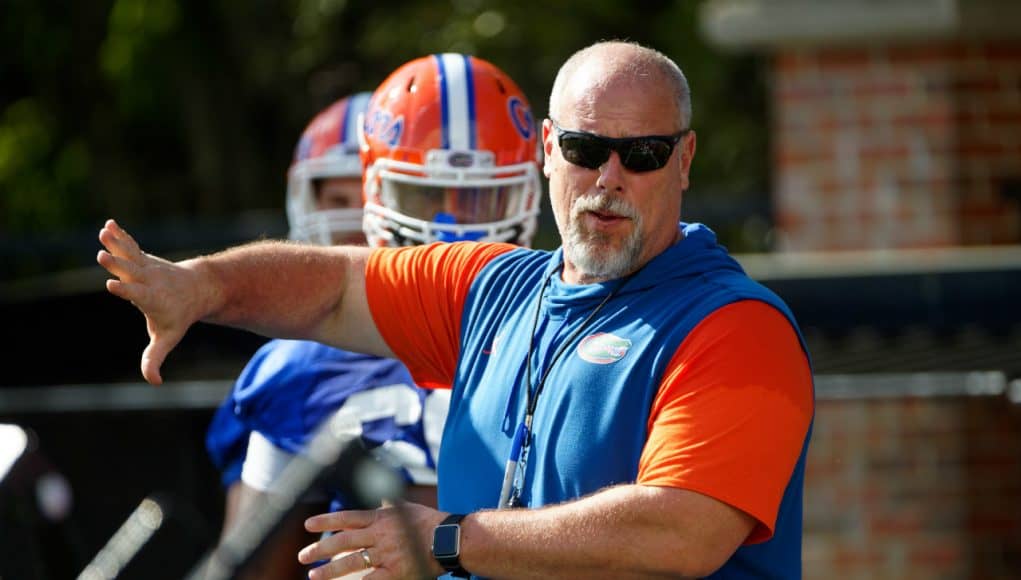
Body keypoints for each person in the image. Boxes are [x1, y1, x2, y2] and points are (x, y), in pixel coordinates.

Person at [98, 41, 814, 579]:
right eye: (584, 147)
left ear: (684, 161)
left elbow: (681, 534)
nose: (608, 178)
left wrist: (448, 538)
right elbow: (333, 285)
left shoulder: (734, 326)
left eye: (644, 153)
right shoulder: (494, 288)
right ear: (545, 149)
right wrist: (202, 285)